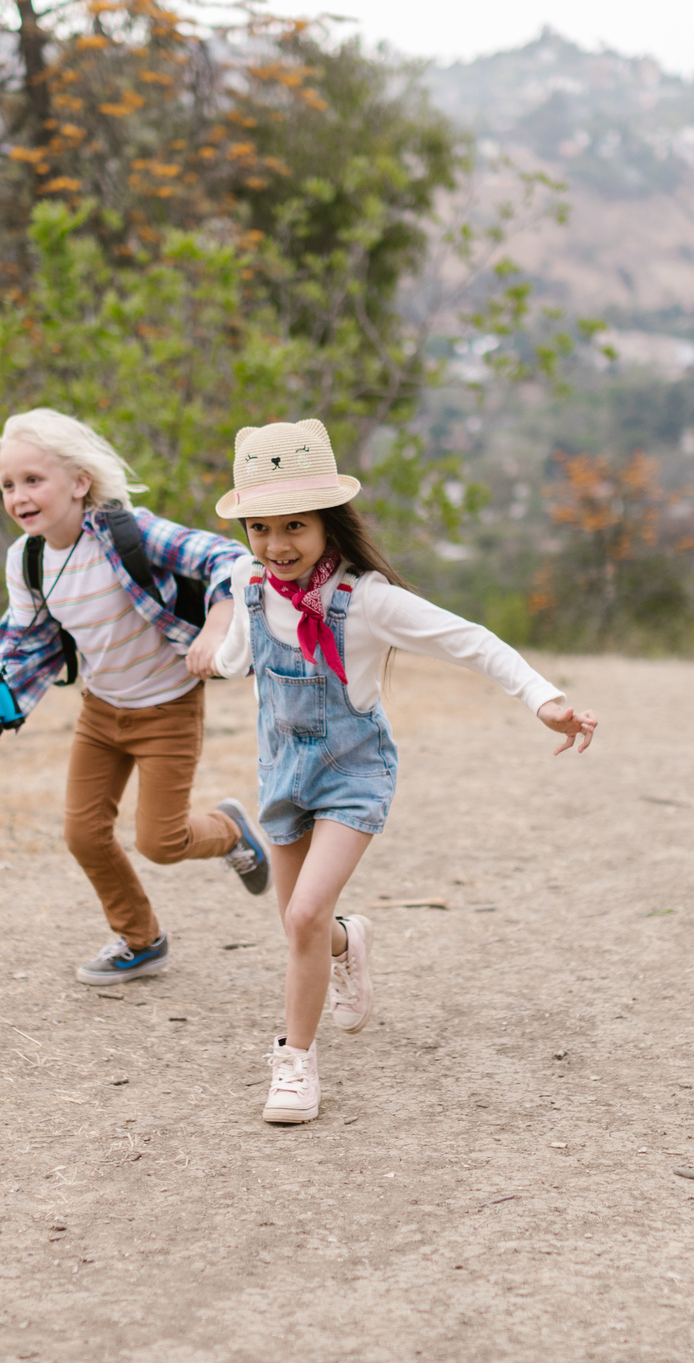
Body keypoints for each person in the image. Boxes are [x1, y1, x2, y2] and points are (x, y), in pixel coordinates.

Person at [196, 418, 599, 1124]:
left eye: (294, 526)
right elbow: (239, 657)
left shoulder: (368, 601)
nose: (276, 545)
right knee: (299, 926)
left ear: (329, 523)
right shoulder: (246, 581)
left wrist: (544, 700)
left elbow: (470, 641)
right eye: (260, 528)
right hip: (282, 771)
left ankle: (295, 1062)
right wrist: (214, 655)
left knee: (304, 913)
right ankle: (348, 943)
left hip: (352, 774)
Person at [0, 409, 273, 985]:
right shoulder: (27, 561)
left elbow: (228, 558)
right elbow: (23, 644)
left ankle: (230, 830)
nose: (18, 496)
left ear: (80, 482)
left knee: (162, 841)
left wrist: (219, 620)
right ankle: (141, 940)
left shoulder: (128, 534)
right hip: (101, 713)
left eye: (33, 480)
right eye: (7, 484)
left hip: (168, 708)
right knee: (82, 834)